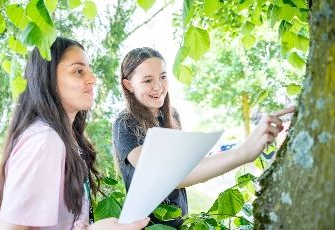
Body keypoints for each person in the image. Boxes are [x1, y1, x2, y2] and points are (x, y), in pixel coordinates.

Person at [113, 47, 295, 228]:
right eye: (147, 80)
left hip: (180, 223)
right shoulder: (125, 123)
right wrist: (241, 153)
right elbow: (171, 177)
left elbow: (187, 165)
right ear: (128, 85)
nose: (158, 87)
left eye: (162, 76)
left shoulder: (171, 116)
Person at [0, 37, 149, 230]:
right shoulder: (44, 141)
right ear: (47, 78)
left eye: (89, 69)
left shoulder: (64, 138)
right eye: (78, 71)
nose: (92, 78)